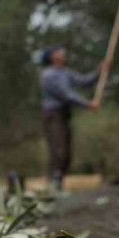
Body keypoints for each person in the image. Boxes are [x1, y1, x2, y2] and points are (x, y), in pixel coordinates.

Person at [39, 45, 107, 189]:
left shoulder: (65, 72)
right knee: (58, 149)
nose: (63, 54)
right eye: (59, 52)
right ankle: (53, 183)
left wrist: (99, 72)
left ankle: (58, 181)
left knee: (67, 150)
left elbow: (83, 81)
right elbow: (65, 94)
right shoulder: (49, 75)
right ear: (52, 57)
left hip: (64, 114)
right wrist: (87, 104)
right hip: (53, 114)